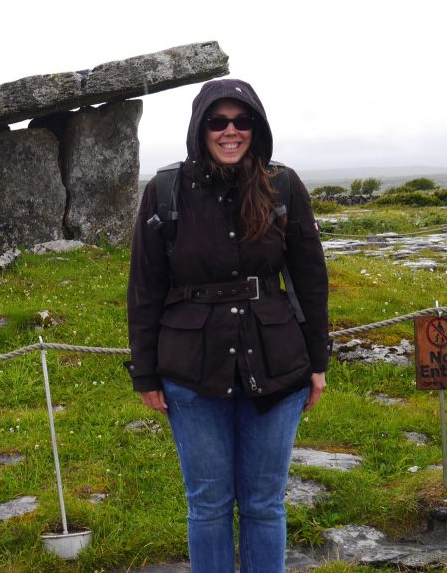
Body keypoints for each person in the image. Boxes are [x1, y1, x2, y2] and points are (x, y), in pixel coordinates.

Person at [126, 78, 330, 572]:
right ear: (200, 129)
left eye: (241, 121)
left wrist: (318, 363)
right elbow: (145, 290)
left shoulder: (283, 186)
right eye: (218, 122)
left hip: (277, 365)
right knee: (209, 506)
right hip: (191, 372)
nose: (230, 131)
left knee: (263, 503)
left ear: (256, 128)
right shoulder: (165, 192)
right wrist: (146, 375)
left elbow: (310, 278)